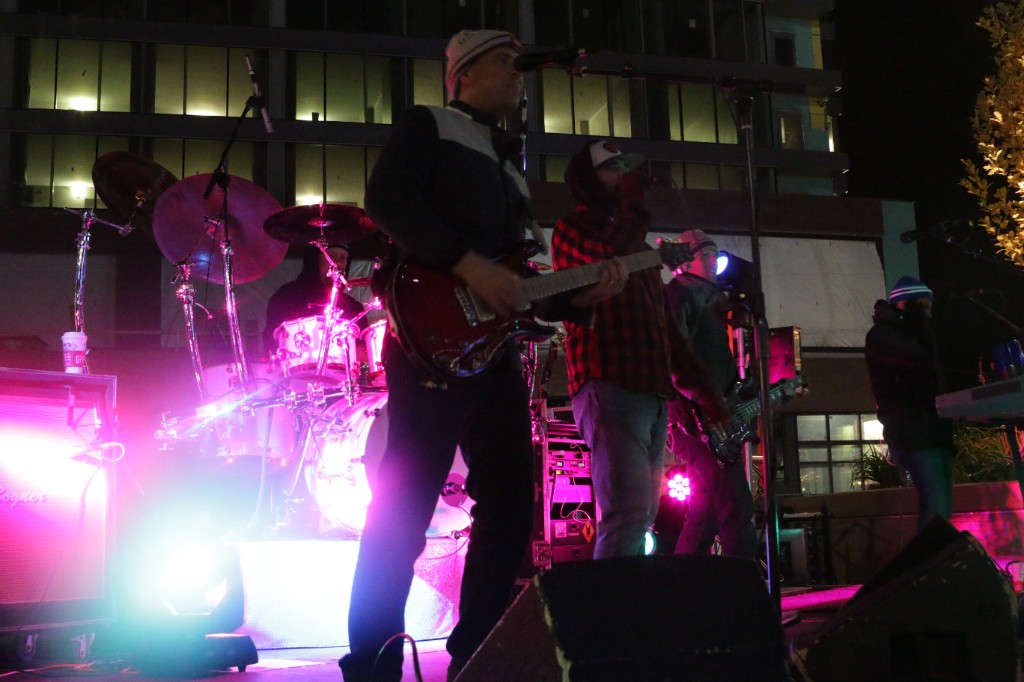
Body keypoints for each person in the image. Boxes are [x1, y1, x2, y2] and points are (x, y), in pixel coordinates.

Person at [339, 31, 624, 682]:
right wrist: (468, 265)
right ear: (463, 75)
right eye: (504, 62)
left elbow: (523, 291)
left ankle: (477, 654)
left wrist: (583, 298)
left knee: (511, 505)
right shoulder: (430, 124)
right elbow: (387, 202)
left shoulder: (511, 165)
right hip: (429, 342)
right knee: (404, 506)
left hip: (493, 354)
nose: (517, 75)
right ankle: (372, 664)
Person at [551, 140, 729, 560]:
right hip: (608, 380)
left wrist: (705, 391)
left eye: (626, 169)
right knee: (627, 510)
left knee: (642, 510)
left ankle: (623, 609)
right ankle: (610, 617)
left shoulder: (642, 250)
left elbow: (665, 330)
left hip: (650, 392)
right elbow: (607, 257)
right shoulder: (572, 229)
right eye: (613, 169)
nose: (624, 176)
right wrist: (635, 204)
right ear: (587, 180)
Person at [665, 229, 758, 560]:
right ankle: (741, 594)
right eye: (707, 255)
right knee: (735, 504)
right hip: (697, 421)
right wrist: (707, 406)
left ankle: (680, 594)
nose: (715, 262)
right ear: (686, 260)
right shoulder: (679, 296)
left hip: (701, 420)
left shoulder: (704, 302)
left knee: (703, 518)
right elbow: (675, 360)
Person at [865, 275, 955, 530]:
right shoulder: (883, 336)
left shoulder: (907, 334)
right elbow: (918, 360)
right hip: (914, 433)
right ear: (907, 304)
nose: (928, 315)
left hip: (932, 430)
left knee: (942, 505)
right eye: (924, 307)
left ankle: (931, 561)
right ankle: (924, 565)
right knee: (936, 505)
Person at [263, 244, 366, 359]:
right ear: (315, 261)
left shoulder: (354, 307)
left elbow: (365, 352)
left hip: (344, 375)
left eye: (343, 257)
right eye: (331, 256)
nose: (338, 262)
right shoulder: (285, 297)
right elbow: (271, 343)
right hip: (297, 373)